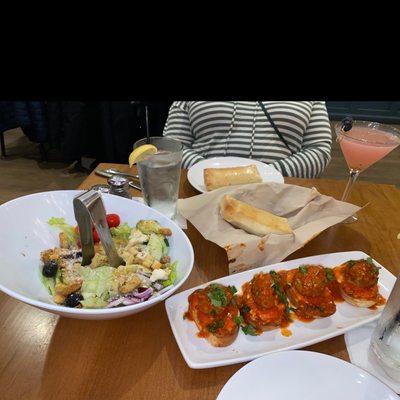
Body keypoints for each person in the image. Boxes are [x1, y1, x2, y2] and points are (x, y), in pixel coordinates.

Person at [163, 101, 332, 178]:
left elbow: (318, 150)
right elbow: (172, 146)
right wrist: (209, 173)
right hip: (200, 189)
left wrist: (267, 176)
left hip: (280, 195)